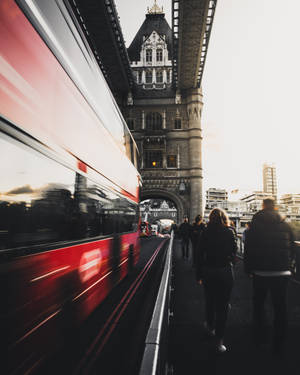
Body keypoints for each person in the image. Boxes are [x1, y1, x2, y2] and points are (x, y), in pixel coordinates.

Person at [244, 197, 295, 355]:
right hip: (282, 271)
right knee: (280, 308)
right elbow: (292, 247)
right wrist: (288, 264)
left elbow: (249, 249)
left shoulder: (255, 224)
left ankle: (260, 339)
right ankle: (279, 344)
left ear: (263, 206)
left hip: (261, 271)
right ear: (275, 208)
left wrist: (248, 269)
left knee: (259, 306)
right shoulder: (286, 224)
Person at [196, 208, 237, 353]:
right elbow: (234, 252)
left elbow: (199, 255)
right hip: (225, 270)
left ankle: (209, 326)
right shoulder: (230, 232)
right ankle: (219, 341)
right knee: (223, 306)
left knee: (210, 300)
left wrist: (198, 275)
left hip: (209, 270)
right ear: (224, 218)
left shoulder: (205, 233)